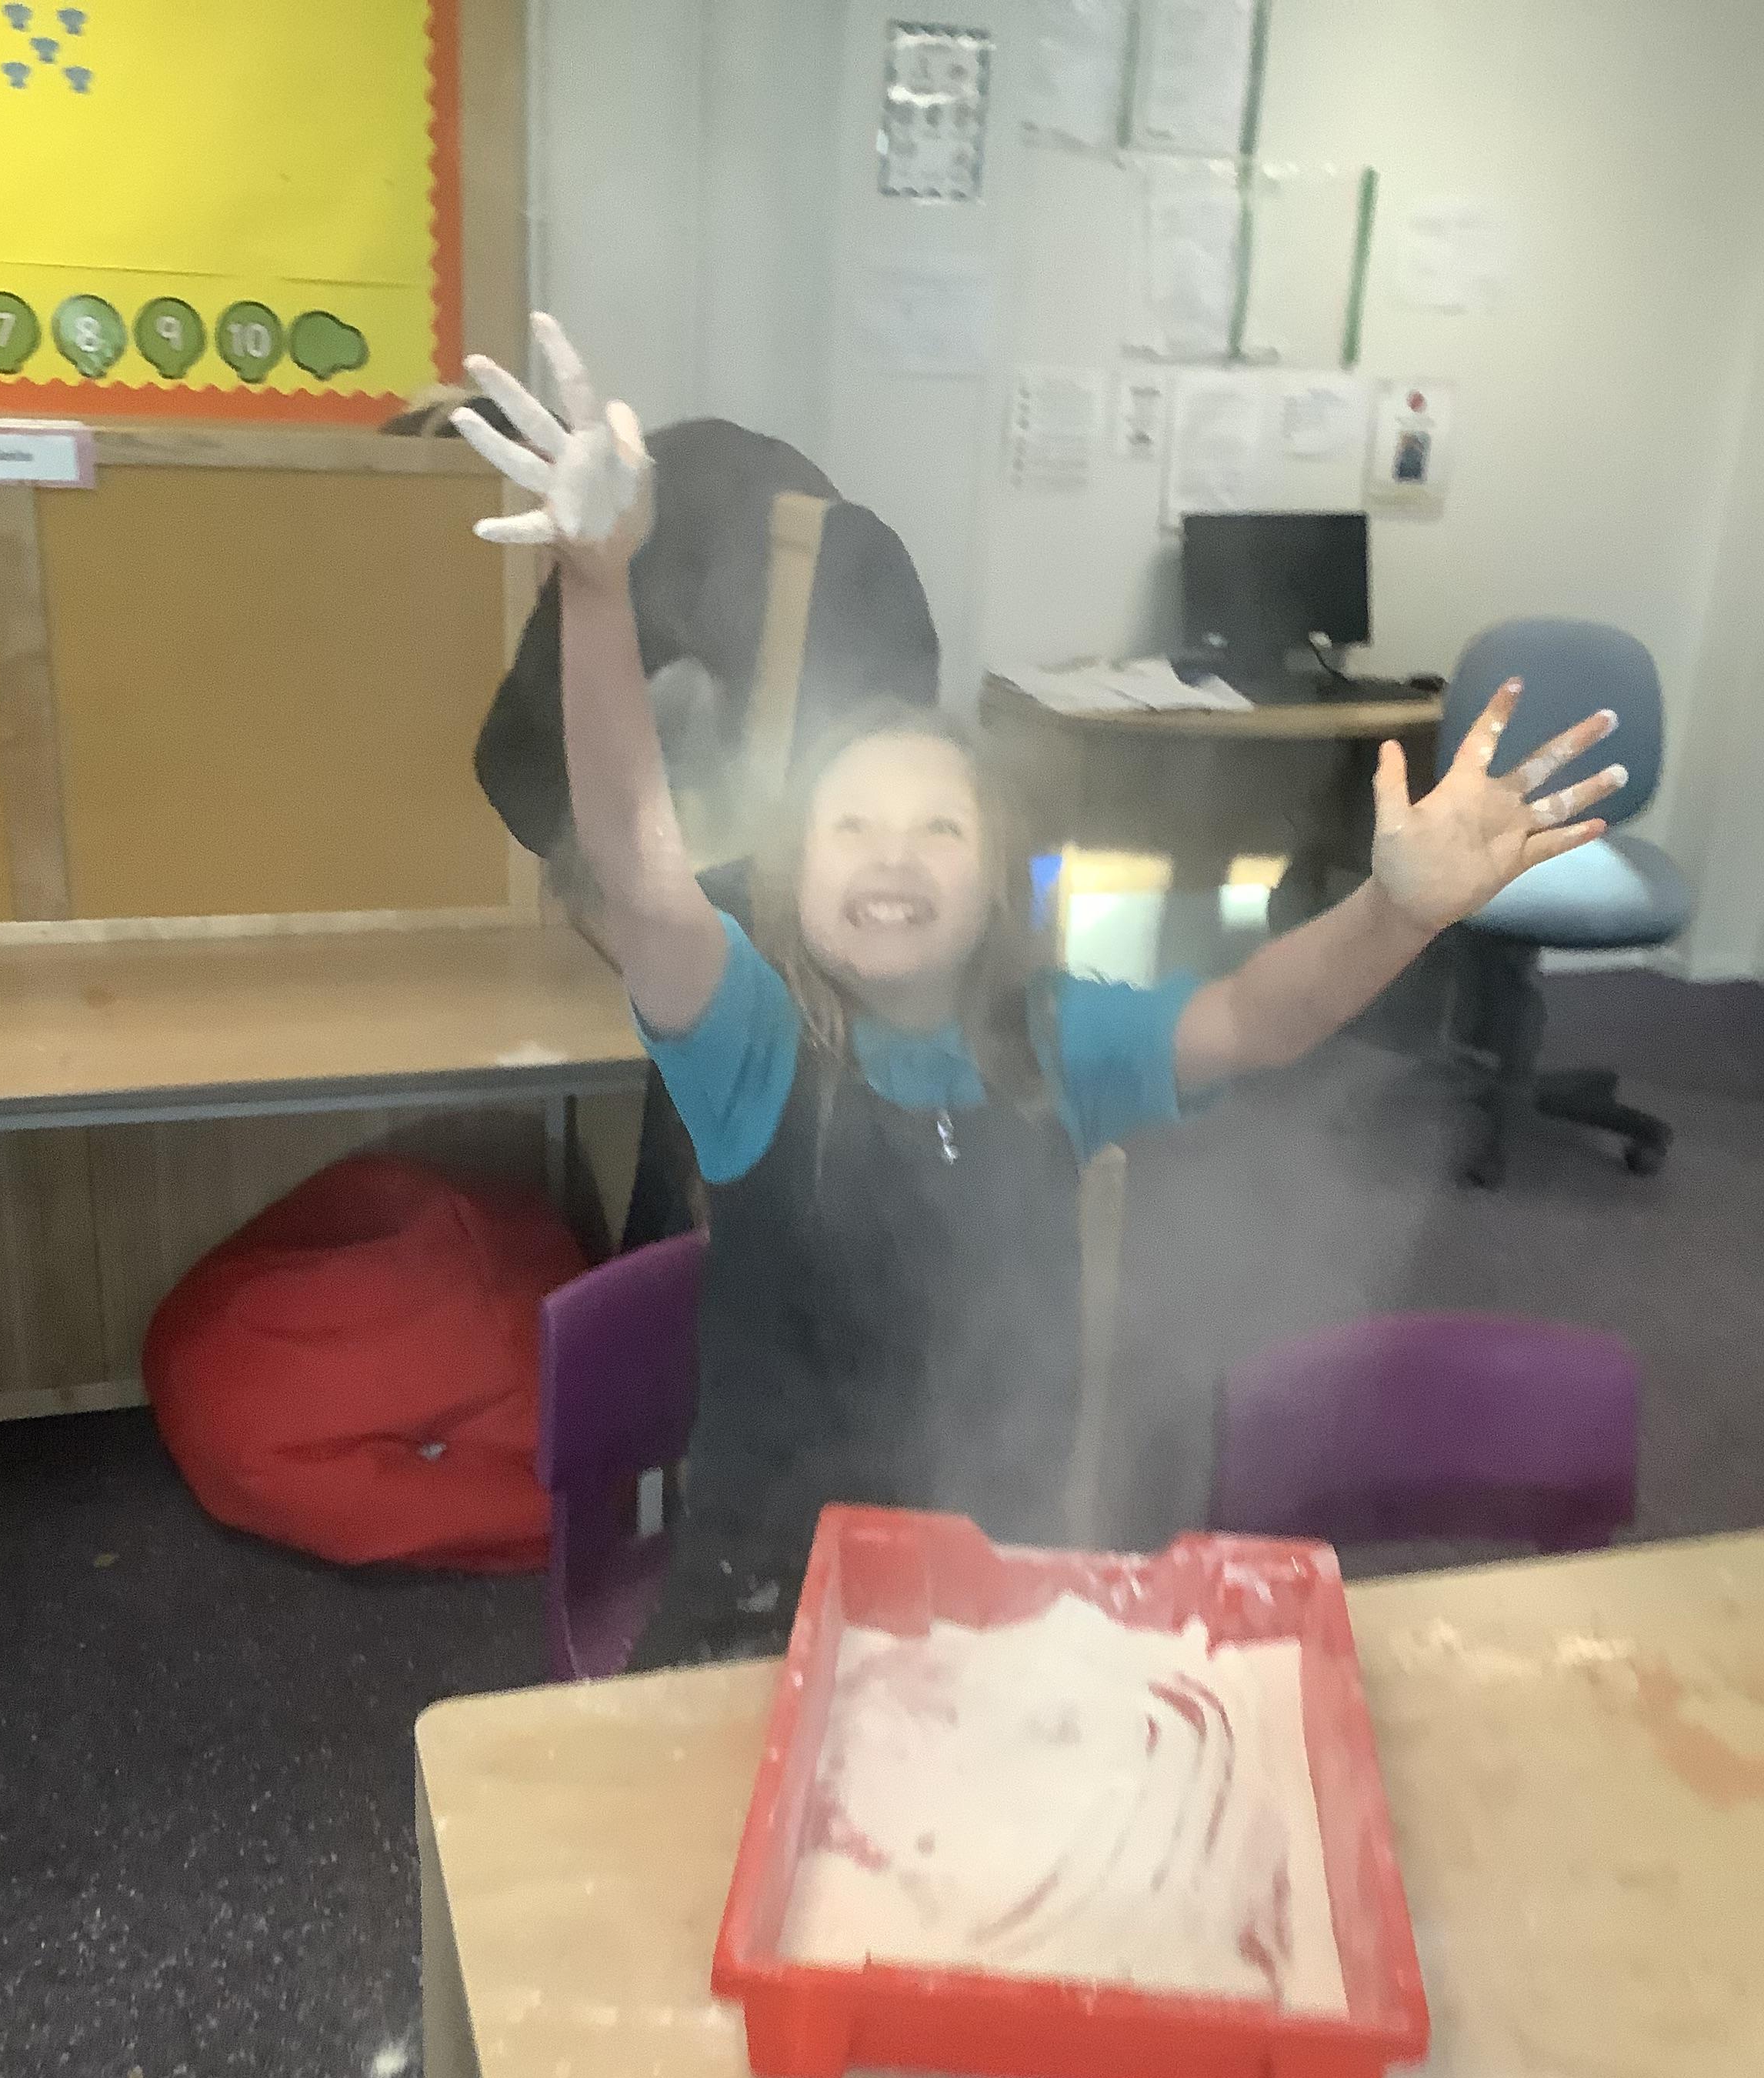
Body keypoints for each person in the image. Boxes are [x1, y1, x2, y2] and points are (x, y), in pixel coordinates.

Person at [452, 318, 1627, 1669]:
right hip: (768, 1594)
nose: (893, 855)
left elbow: (1259, 1017)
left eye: (939, 829)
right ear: (790, 879)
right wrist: (598, 586)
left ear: (1000, 883)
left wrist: (1396, 909)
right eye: (850, 826)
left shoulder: (1058, 1039)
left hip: (995, 1569)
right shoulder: (750, 1044)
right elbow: (642, 868)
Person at [461, 391, 940, 1243]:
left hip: (750, 976)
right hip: (790, 988)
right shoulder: (770, 540)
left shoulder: (722, 545)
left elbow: (525, 778)